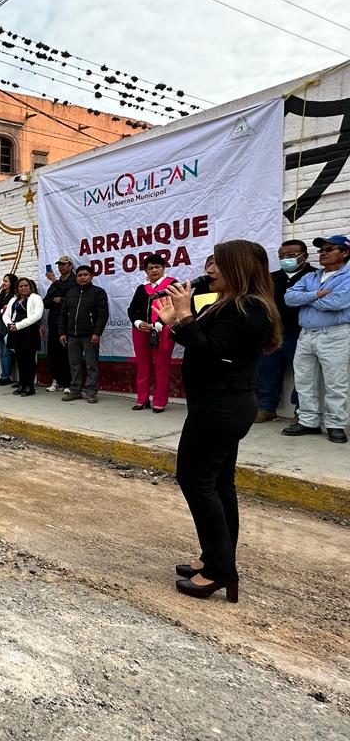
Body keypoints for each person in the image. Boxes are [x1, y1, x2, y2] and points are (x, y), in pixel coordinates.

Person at [157, 239, 281, 603]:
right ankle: (216, 559)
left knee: (195, 479)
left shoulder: (250, 309)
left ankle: (219, 570)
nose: (208, 270)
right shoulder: (230, 303)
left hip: (223, 407)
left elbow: (211, 351)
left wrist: (183, 317)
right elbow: (203, 344)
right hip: (215, 403)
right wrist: (175, 322)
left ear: (239, 268)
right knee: (218, 482)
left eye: (217, 265)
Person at [282, 234, 350, 443]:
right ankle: (309, 422)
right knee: (304, 380)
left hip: (334, 334)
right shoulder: (311, 276)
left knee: (335, 382)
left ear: (345, 252)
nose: (323, 253)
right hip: (306, 335)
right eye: (321, 250)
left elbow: (337, 302)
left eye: (330, 249)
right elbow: (289, 298)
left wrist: (307, 298)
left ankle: (335, 424)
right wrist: (316, 294)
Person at [255, 241, 314, 423]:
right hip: (273, 332)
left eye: (291, 255)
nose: (285, 259)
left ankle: (300, 411)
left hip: (299, 332)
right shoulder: (271, 278)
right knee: (267, 370)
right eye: (281, 256)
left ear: (304, 255)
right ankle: (266, 407)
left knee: (302, 373)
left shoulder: (313, 275)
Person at [127, 254, 177, 413]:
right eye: (150, 268)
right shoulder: (141, 288)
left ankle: (159, 402)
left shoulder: (172, 285)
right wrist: (137, 322)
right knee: (142, 366)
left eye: (157, 267)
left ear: (163, 268)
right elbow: (132, 309)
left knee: (162, 367)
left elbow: (177, 307)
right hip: (141, 331)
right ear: (145, 271)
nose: (154, 270)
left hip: (163, 331)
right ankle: (142, 400)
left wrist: (160, 323)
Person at [59, 264, 109, 403]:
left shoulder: (98, 292)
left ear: (91, 276)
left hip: (89, 336)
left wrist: (97, 333)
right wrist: (62, 332)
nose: (82, 277)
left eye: (85, 275)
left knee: (91, 365)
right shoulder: (70, 293)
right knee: (74, 364)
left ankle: (91, 391)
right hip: (72, 336)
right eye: (80, 275)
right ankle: (75, 391)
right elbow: (63, 314)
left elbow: (102, 315)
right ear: (76, 277)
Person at [4, 278, 44, 396]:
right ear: (17, 288)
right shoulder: (13, 300)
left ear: (30, 287)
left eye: (26, 286)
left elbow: (37, 315)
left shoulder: (36, 298)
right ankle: (21, 384)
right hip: (15, 331)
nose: (23, 288)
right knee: (20, 359)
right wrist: (10, 324)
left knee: (29, 360)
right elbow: (6, 315)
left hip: (29, 332)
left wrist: (18, 325)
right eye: (21, 286)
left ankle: (29, 386)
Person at [43, 256, 76, 391]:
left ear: (70, 266)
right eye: (59, 265)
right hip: (53, 323)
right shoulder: (54, 284)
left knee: (66, 354)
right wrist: (54, 301)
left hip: (67, 324)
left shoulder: (74, 281)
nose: (61, 267)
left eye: (64, 264)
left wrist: (55, 281)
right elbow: (45, 302)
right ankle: (56, 380)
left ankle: (68, 383)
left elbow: (69, 297)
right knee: (53, 354)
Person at [0, 273, 18, 386]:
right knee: (1, 352)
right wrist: (2, 309)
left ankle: (6, 376)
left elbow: (12, 311)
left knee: (7, 352)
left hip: (9, 326)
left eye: (6, 281)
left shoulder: (14, 296)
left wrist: (5, 310)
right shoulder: (2, 295)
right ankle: (3, 375)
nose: (3, 283)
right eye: (3, 281)